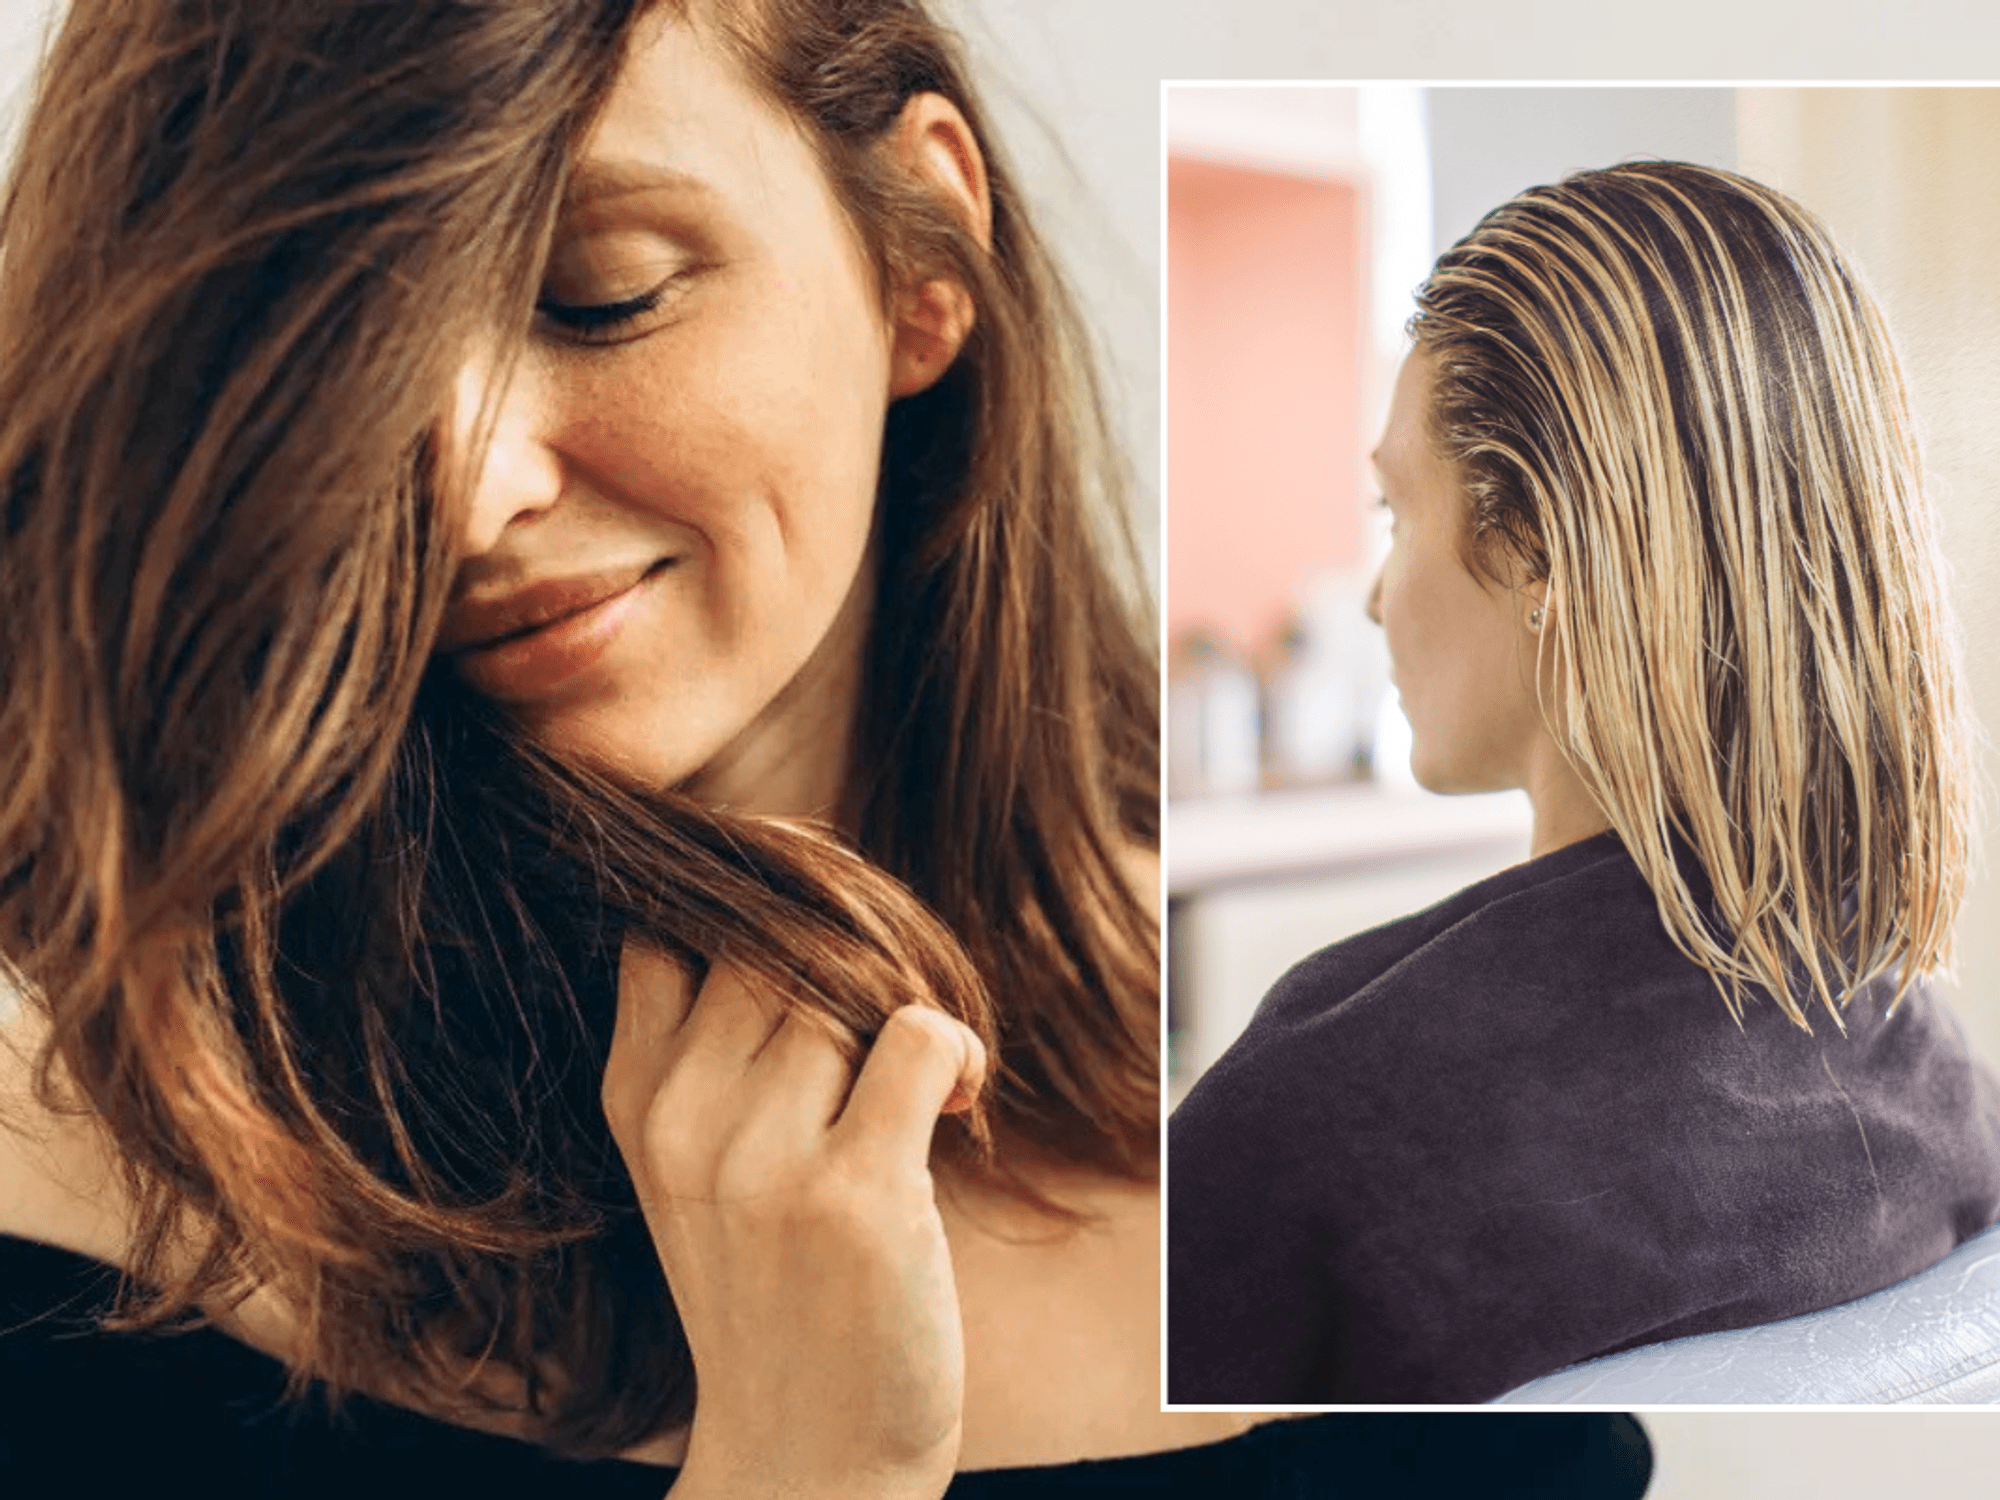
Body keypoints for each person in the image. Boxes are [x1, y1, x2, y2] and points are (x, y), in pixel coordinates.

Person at [0, 1, 1659, 1496]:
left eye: (600, 293)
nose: (470, 485)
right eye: (324, 357)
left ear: (921, 259)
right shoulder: (68, 1203)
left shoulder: (1421, 1125)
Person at [1167, 160, 2000, 1405]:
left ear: (1535, 548)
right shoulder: (1931, 1077)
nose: (1376, 596)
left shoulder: (1310, 1128)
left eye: (1394, 513)